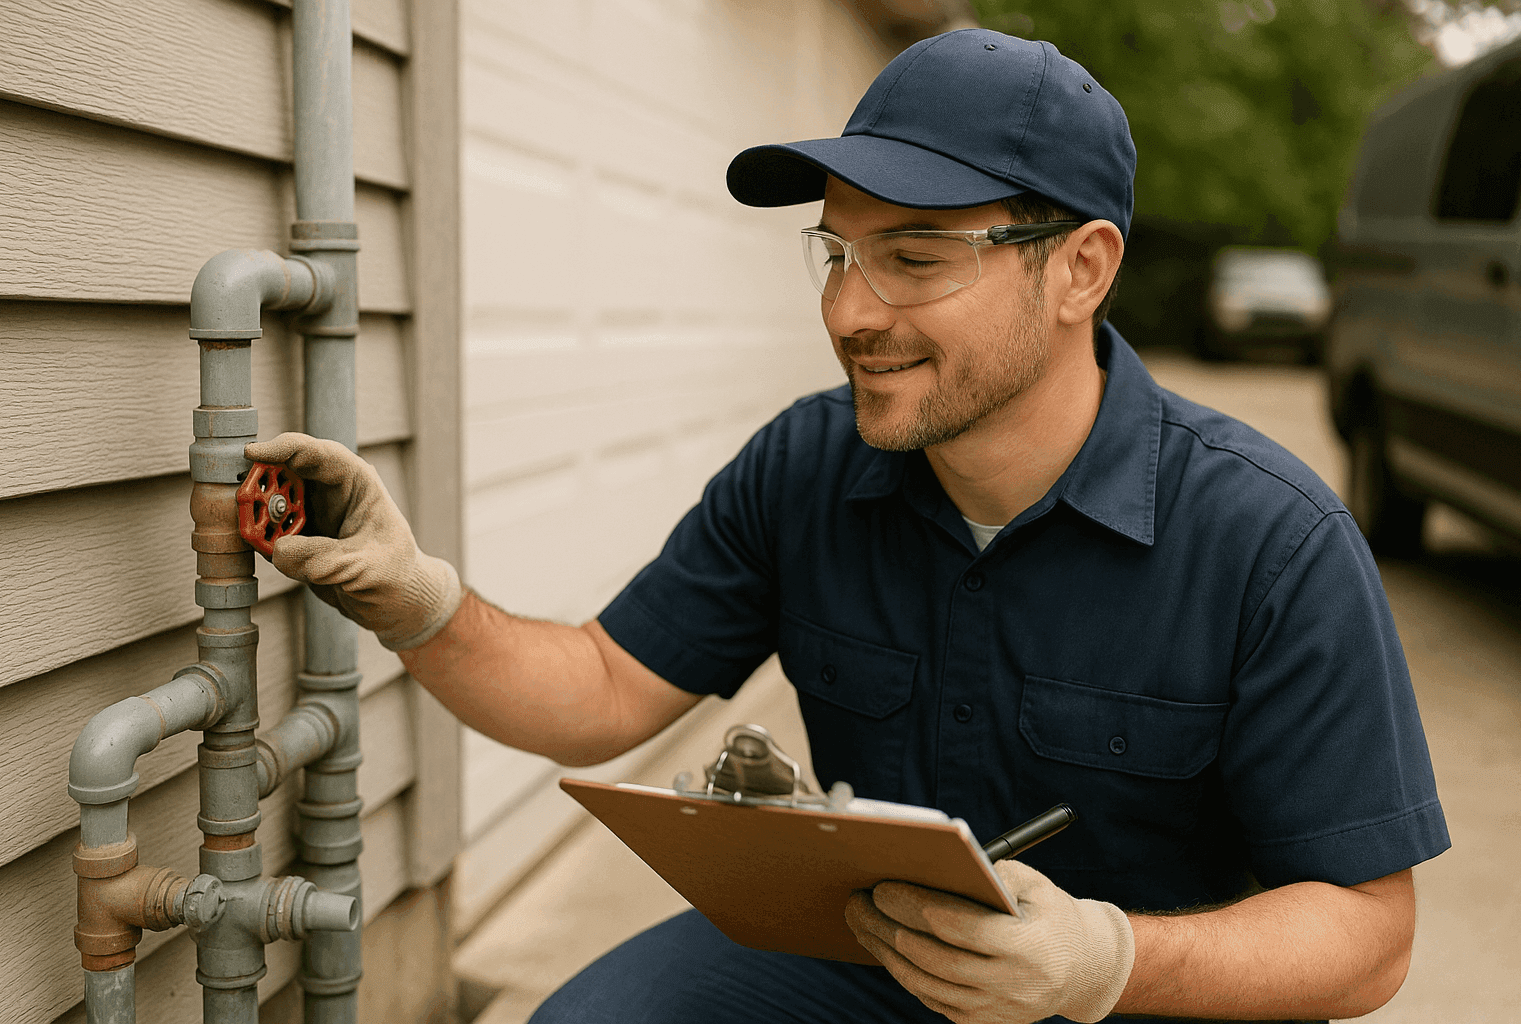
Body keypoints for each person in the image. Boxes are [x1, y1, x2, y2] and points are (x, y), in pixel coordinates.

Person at [247, 29, 1449, 1024]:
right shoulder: (807, 466)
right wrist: (418, 598)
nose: (847, 312)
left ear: (1080, 269)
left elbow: (1365, 935)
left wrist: (1100, 959)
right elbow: (604, 687)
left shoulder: (1270, 541)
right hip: (874, 964)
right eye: (836, 251)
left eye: (913, 258)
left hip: (1156, 998)